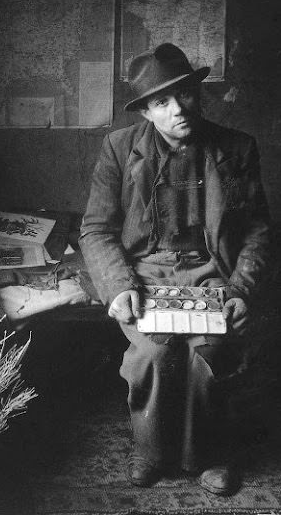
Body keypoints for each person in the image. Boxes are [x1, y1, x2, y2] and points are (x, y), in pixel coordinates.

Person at [79, 43, 271, 496]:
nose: (176, 109)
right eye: (161, 102)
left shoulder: (236, 148)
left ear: (197, 94)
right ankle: (153, 452)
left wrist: (241, 288)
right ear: (146, 111)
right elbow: (96, 229)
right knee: (154, 355)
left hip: (212, 271)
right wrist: (118, 288)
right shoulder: (120, 149)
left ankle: (210, 455)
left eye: (183, 94)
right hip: (145, 274)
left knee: (207, 352)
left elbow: (257, 231)